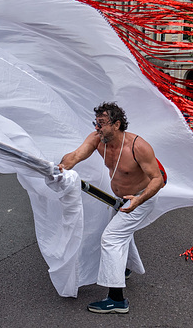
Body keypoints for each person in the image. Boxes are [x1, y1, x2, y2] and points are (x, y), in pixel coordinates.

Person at [58, 102, 166, 314]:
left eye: (102, 124)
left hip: (140, 199)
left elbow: (157, 179)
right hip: (120, 199)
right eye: (96, 123)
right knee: (119, 233)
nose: (97, 128)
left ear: (116, 124)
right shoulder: (98, 140)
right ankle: (123, 268)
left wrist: (137, 201)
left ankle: (117, 299)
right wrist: (61, 166)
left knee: (112, 238)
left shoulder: (137, 146)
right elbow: (76, 156)